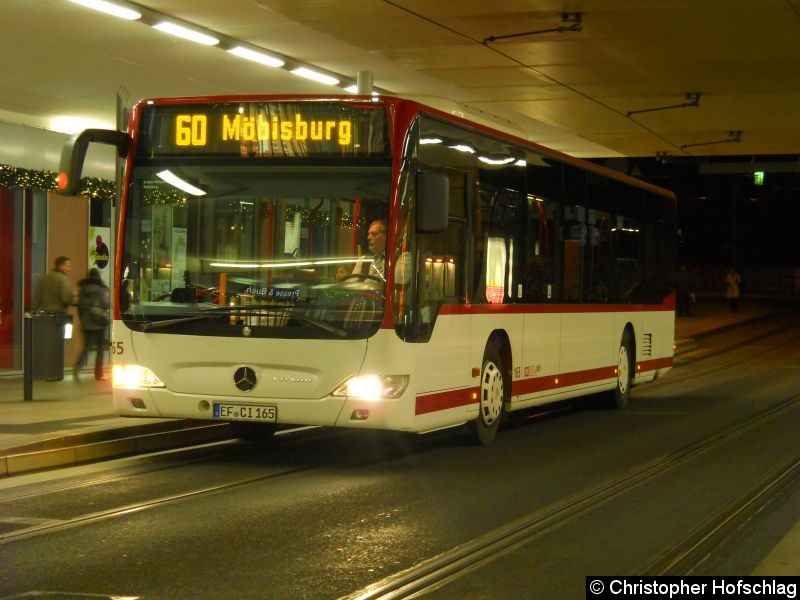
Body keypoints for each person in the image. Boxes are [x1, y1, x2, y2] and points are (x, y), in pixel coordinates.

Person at [74, 268, 110, 382]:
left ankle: (78, 367)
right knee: (100, 349)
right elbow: (106, 304)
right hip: (99, 323)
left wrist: (83, 319)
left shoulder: (82, 290)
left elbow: (79, 307)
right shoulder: (100, 289)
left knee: (86, 347)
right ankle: (98, 374)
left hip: (86, 323)